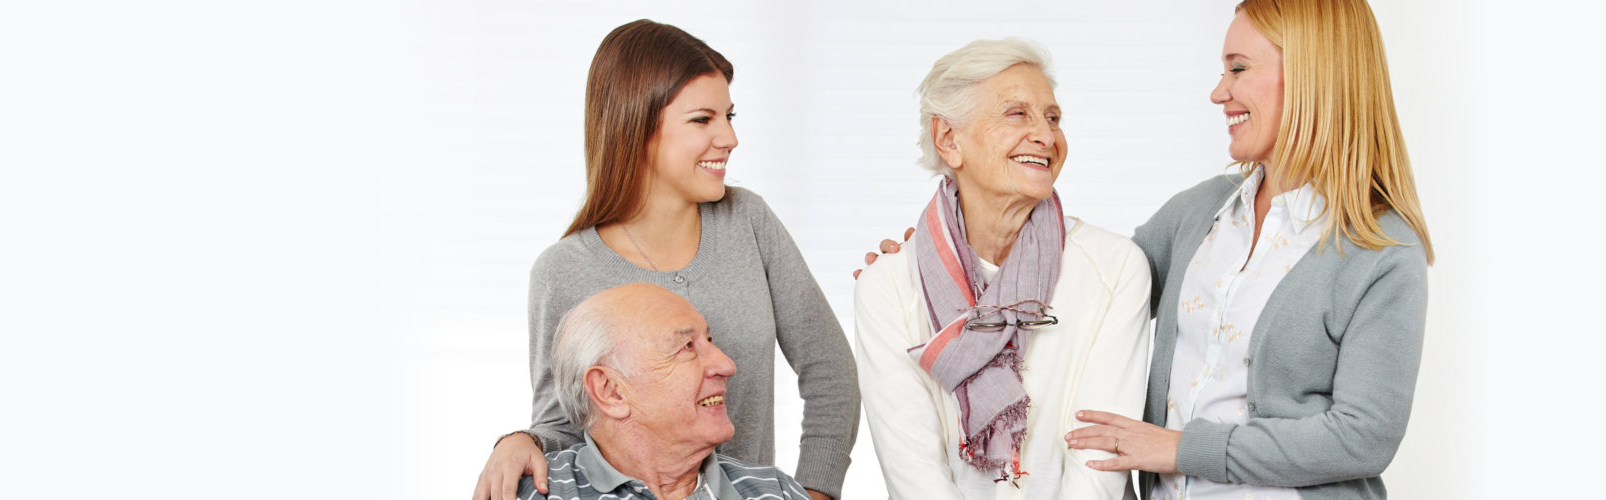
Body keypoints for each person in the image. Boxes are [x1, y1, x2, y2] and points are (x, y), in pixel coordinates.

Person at [861, 1, 1432, 498]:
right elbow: (1084, 278)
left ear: (1313, 78)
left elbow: (1364, 437)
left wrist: (1181, 450)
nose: (1218, 92)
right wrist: (936, 258)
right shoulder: (1202, 212)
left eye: (1238, 69)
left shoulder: (1381, 248)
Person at [475, 19, 857, 500]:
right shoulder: (564, 271)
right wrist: (520, 440)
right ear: (637, 125)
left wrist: (815, 492)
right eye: (703, 119)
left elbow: (831, 374)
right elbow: (564, 423)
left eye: (729, 116)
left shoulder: (748, 221)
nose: (729, 138)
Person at [853, 38, 1152, 500]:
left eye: (1052, 118)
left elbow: (1097, 462)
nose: (1046, 136)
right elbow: (914, 474)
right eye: (1017, 114)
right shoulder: (887, 286)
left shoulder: (1115, 267)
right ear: (948, 139)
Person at [516, 283, 815, 500]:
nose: (726, 365)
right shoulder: (534, 495)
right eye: (686, 347)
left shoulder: (776, 491)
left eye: (709, 341)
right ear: (611, 392)